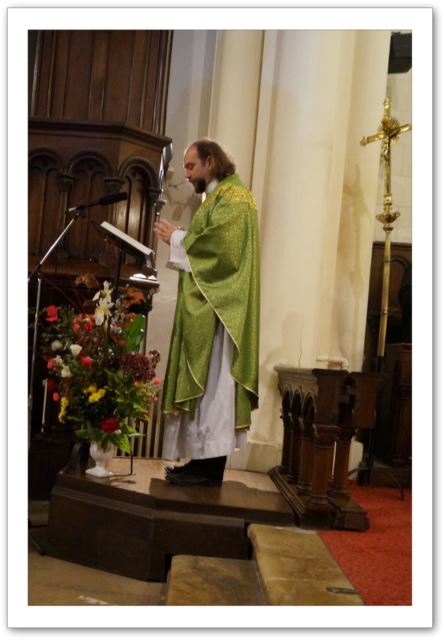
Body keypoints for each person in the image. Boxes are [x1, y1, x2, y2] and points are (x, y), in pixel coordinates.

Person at [153, 139, 260, 487]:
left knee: (216, 390)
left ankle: (210, 468)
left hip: (220, 311)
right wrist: (183, 237)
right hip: (209, 306)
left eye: (191, 166)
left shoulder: (235, 198)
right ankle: (200, 463)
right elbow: (209, 242)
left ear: (210, 161)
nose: (186, 175)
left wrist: (177, 238)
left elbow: (223, 252)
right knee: (208, 390)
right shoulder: (218, 197)